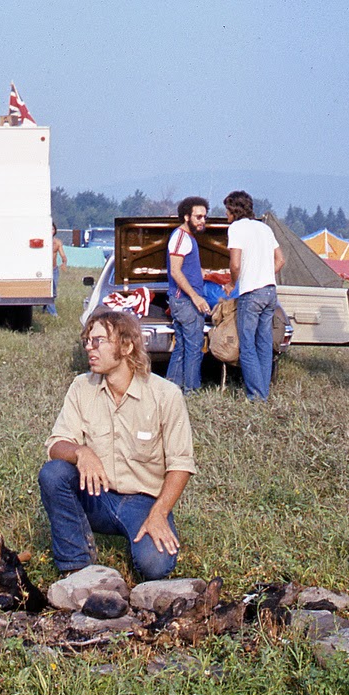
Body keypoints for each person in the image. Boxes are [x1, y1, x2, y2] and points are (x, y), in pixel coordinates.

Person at [38, 310, 196, 580]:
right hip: (97, 496)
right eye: (87, 341)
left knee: (154, 565)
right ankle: (77, 567)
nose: (90, 348)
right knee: (53, 473)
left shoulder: (165, 395)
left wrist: (159, 513)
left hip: (144, 501)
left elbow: (180, 465)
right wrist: (81, 452)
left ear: (126, 345)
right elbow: (55, 445)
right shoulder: (81, 387)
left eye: (99, 340)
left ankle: (148, 533)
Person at [224, 190, 285, 401]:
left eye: (227, 211)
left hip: (251, 293)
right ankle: (264, 391)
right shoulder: (264, 228)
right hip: (270, 290)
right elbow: (280, 260)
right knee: (264, 343)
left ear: (233, 210)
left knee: (247, 344)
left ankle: (256, 395)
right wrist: (265, 272)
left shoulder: (236, 228)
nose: (225, 215)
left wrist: (232, 283)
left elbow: (235, 263)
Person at [166, 196, 211, 393]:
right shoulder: (181, 237)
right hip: (185, 302)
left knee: (182, 347)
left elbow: (186, 269)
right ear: (186, 217)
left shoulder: (187, 238)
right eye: (198, 217)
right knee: (194, 348)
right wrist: (196, 297)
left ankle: (171, 388)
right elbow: (175, 271)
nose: (203, 221)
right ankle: (191, 390)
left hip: (184, 301)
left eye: (204, 217)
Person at [46, 223, 67, 316]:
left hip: (54, 270)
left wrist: (64, 262)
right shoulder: (44, 242)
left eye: (53, 229)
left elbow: (63, 255)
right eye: (49, 229)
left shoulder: (57, 242)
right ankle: (53, 312)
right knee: (49, 290)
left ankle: (45, 306)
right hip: (45, 270)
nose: (51, 231)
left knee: (53, 291)